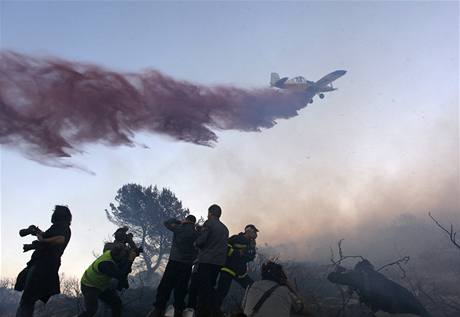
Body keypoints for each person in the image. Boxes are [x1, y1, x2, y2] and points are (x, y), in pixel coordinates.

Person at [15, 205, 72, 317]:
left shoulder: (63, 226)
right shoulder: (57, 227)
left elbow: (60, 239)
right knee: (28, 299)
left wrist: (43, 239)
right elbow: (46, 239)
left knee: (27, 299)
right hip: (42, 264)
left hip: (44, 265)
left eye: (54, 212)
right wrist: (35, 232)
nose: (52, 214)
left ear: (59, 214)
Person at [327, 259, 430, 317]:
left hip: (389, 309)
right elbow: (407, 296)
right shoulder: (378, 276)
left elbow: (332, 277)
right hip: (403, 306)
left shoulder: (359, 275)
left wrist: (338, 271)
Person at [147, 215, 200, 317]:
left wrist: (179, 221)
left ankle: (159, 308)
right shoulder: (196, 233)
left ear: (187, 220)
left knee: (165, 286)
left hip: (174, 262)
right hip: (187, 265)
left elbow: (166, 222)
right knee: (181, 288)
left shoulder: (179, 228)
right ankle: (178, 310)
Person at [78, 245, 138, 317]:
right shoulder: (104, 264)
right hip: (89, 286)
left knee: (116, 303)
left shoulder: (111, 254)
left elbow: (121, 264)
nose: (123, 258)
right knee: (91, 310)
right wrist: (130, 260)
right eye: (122, 256)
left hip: (101, 285)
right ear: (117, 255)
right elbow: (120, 275)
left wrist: (132, 252)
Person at [194, 204, 229, 317]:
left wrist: (196, 242)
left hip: (206, 261)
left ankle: (211, 312)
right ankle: (210, 311)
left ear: (210, 213)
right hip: (218, 263)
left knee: (204, 289)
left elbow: (203, 240)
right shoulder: (225, 228)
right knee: (210, 286)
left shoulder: (209, 223)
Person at [216, 224, 258, 309]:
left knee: (252, 288)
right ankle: (213, 310)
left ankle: (251, 309)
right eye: (254, 231)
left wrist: (252, 248)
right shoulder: (236, 238)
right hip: (228, 269)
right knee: (221, 292)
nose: (256, 234)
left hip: (240, 272)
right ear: (248, 230)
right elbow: (225, 247)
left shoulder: (251, 244)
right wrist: (237, 253)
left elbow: (251, 257)